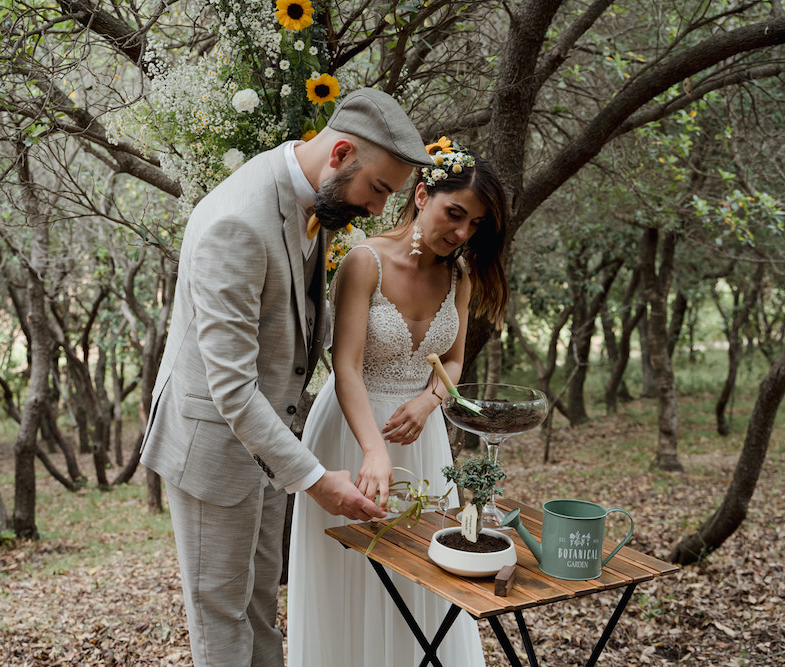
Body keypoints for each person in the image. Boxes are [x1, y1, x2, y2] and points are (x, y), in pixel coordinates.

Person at [139, 88, 435, 667]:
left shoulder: (316, 200)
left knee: (258, 606)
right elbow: (230, 387)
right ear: (341, 152)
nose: (378, 211)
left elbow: (296, 332)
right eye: (377, 189)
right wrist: (317, 479)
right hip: (213, 448)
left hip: (270, 446)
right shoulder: (237, 222)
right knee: (221, 619)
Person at [287, 140, 510, 666]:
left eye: (474, 225)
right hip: (352, 431)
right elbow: (344, 365)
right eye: (454, 214)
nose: (460, 233)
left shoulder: (460, 275)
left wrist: (430, 401)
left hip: (423, 440)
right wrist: (373, 450)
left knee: (427, 575)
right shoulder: (366, 261)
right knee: (352, 573)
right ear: (422, 193)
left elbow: (452, 363)